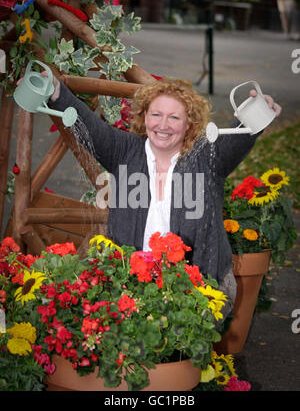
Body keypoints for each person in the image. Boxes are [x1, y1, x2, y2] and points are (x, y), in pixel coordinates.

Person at [49, 75, 281, 323]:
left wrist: (260, 111)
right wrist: (56, 92)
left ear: (189, 124)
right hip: (131, 287)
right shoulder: (123, 150)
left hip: (200, 290)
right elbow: (89, 125)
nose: (163, 125)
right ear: (145, 117)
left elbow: (240, 135)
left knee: (180, 353)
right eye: (156, 115)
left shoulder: (208, 156)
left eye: (174, 117)